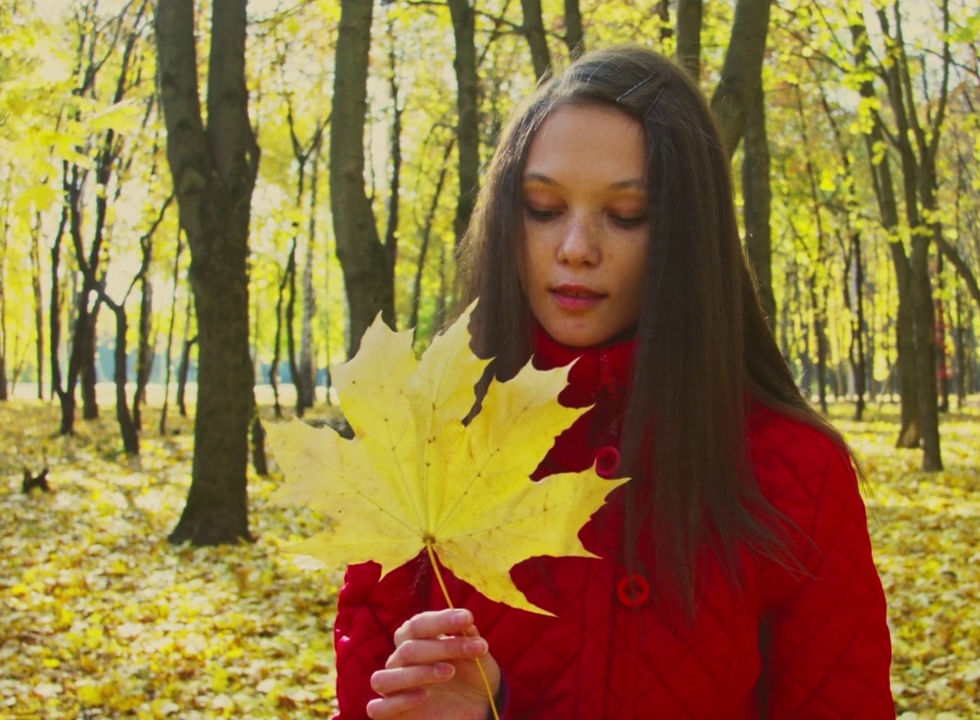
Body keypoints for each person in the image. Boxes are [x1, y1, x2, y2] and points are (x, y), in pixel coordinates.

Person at [333, 45, 894, 719]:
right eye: (543, 207)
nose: (576, 247)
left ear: (686, 237)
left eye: (625, 215)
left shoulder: (793, 471)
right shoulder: (423, 445)